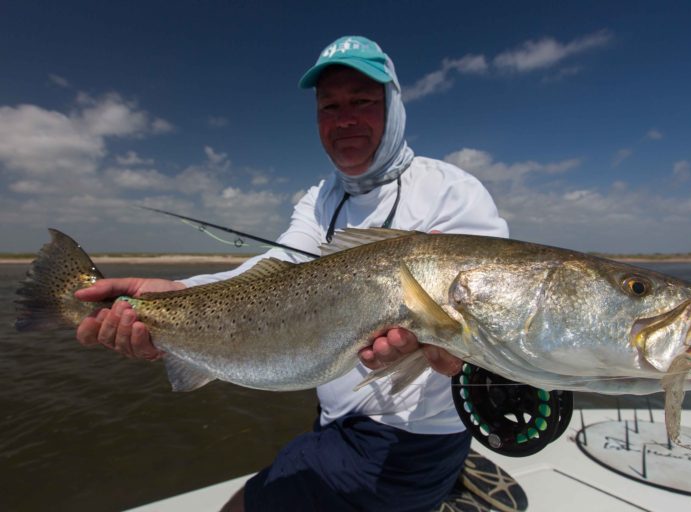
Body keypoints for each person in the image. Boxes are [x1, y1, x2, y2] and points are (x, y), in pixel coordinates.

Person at [75, 36, 509, 511]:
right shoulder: (321, 196)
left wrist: (453, 352)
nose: (344, 118)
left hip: (406, 438)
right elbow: (268, 278)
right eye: (330, 106)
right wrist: (178, 293)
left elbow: (490, 331)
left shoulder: (453, 193)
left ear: (395, 105)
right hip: (334, 416)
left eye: (362, 101)